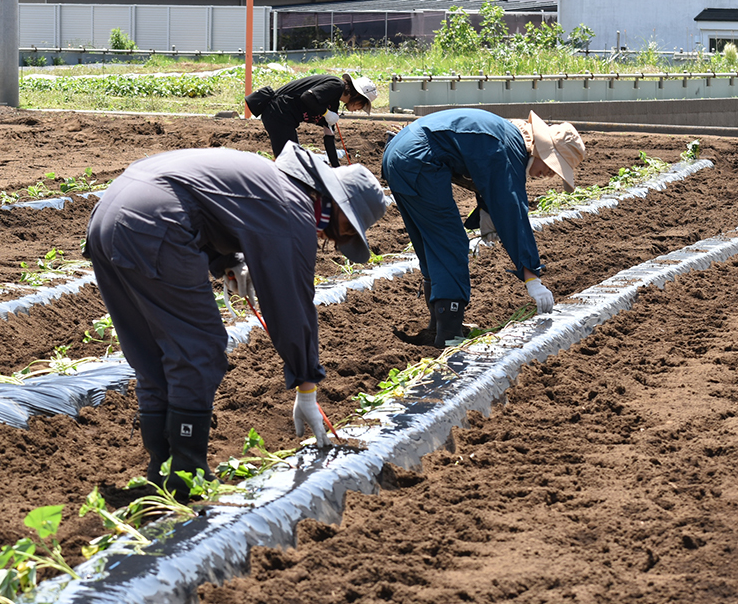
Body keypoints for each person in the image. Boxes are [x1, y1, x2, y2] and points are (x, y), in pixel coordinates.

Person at [85, 142, 388, 495]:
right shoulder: (295, 208)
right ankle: (188, 475)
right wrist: (307, 383)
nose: (334, 240)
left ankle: (163, 470)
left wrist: (227, 261)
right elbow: (290, 306)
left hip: (109, 216)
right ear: (337, 204)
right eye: (346, 230)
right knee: (199, 348)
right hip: (156, 222)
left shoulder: (272, 181)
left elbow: (209, 203)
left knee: (153, 352)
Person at [381, 107, 586, 347]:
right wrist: (532, 278)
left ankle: (438, 326)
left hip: (400, 153)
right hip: (419, 158)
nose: (550, 175)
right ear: (542, 149)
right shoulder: (510, 148)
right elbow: (512, 211)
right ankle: (449, 337)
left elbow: (479, 170)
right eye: (553, 166)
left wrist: (486, 209)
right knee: (450, 244)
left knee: (431, 242)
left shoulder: (506, 134)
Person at [244, 73, 378, 167]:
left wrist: (337, 168)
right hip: (278, 112)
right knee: (288, 161)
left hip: (285, 118)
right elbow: (307, 97)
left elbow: (329, 136)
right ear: (357, 96)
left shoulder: (334, 104)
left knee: (290, 159)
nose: (359, 109)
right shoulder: (336, 86)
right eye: (362, 105)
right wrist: (325, 113)